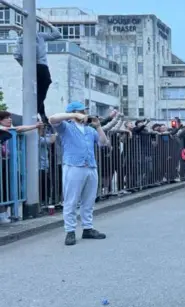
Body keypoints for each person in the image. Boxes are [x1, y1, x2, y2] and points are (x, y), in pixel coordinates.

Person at [48, 103, 113, 245]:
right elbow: (52, 119)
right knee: (71, 200)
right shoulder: (66, 126)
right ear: (73, 112)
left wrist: (98, 126)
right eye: (82, 111)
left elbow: (103, 143)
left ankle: (87, 228)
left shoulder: (89, 130)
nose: (84, 113)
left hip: (90, 166)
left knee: (88, 200)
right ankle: (70, 231)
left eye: (84, 111)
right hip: (73, 166)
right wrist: (73, 115)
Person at [13, 20, 61, 124]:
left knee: (36, 92)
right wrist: (48, 24)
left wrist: (26, 67)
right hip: (41, 66)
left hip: (30, 69)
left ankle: (41, 113)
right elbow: (57, 34)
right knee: (43, 88)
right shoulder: (39, 36)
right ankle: (35, 113)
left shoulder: (21, 39)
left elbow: (16, 56)